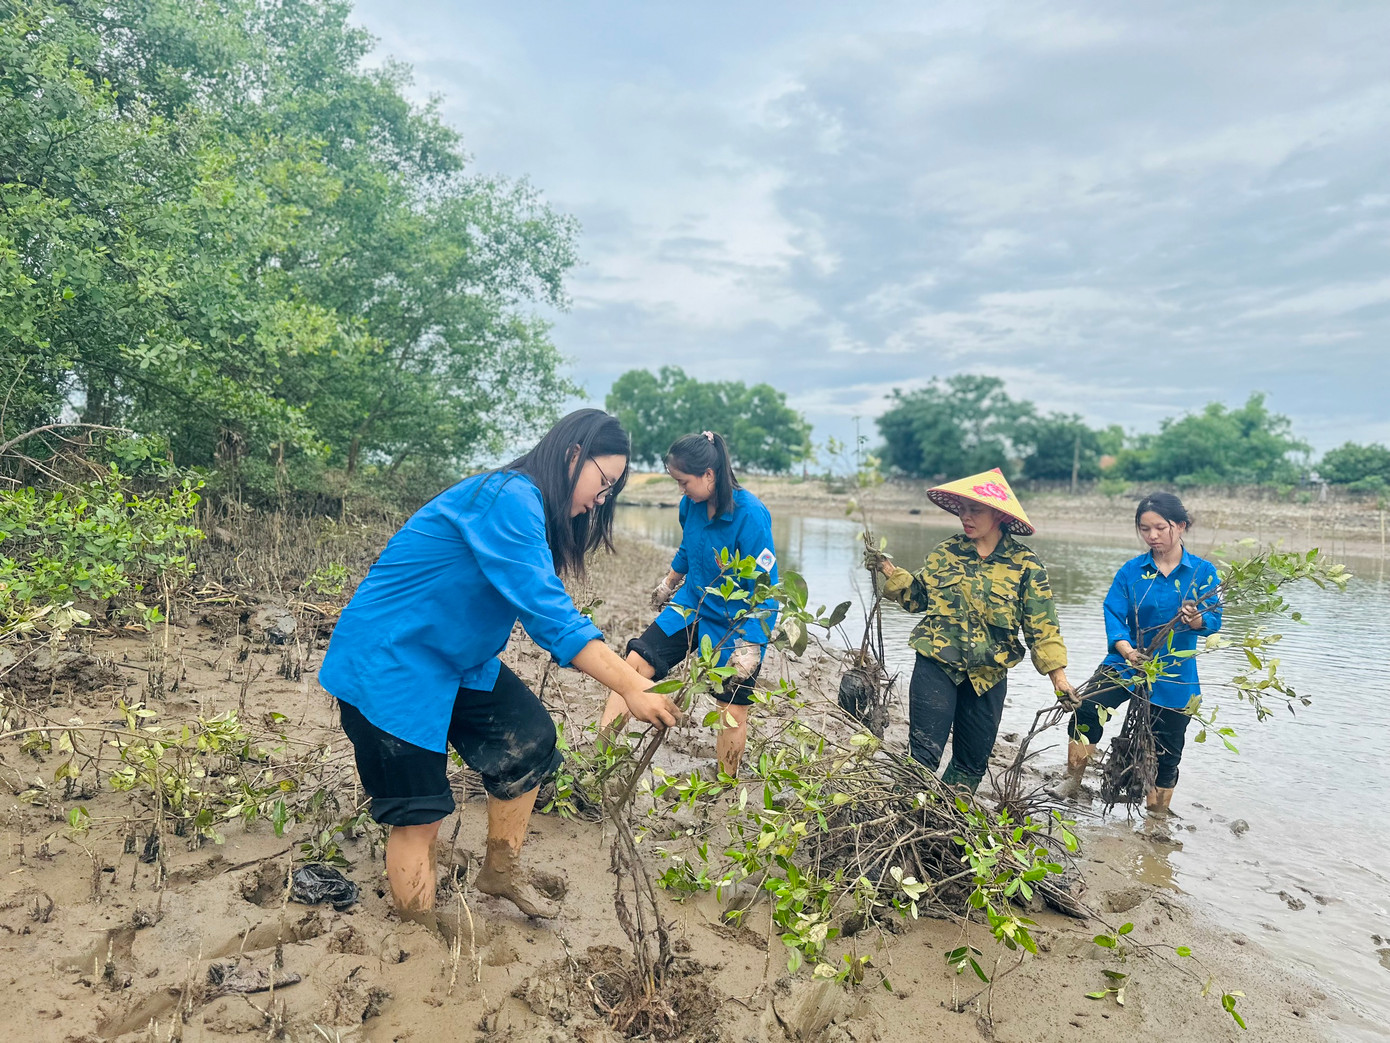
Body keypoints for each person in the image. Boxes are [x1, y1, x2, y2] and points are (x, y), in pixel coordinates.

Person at [318, 409, 681, 929]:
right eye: (601, 484)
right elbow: (550, 615)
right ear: (573, 454)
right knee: (421, 816)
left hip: (455, 662)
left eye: (608, 494)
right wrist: (632, 686)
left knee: (530, 741)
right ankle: (418, 940)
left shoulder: (528, 507)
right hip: (392, 662)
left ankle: (500, 870)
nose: (597, 502)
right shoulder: (507, 497)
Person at [869, 468, 1077, 792]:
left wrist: (1059, 679)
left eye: (975, 510)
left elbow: (1043, 628)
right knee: (922, 756)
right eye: (962, 509)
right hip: (937, 664)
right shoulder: (945, 553)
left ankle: (947, 824)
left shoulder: (1026, 565)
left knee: (971, 763)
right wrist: (888, 570)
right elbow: (918, 599)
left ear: (998, 515)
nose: (965, 516)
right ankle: (906, 816)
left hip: (988, 675)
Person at [598, 431, 778, 776]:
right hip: (692, 605)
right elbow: (687, 549)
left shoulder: (751, 515)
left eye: (684, 482)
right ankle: (599, 759)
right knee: (631, 666)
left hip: (735, 620)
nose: (681, 490)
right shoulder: (690, 506)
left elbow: (765, 582)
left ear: (709, 476)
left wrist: (751, 642)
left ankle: (725, 782)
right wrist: (669, 581)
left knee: (731, 710)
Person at [1052, 492, 1222, 814]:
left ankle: (1156, 817)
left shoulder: (1203, 573)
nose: (1152, 536)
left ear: (1181, 526)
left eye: (1160, 527)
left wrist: (1198, 619)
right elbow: (1113, 613)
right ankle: (1073, 782)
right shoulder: (1132, 571)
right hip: (1127, 661)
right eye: (1145, 529)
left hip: (1174, 672)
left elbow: (1215, 621)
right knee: (1086, 709)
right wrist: (1127, 650)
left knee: (1167, 747)